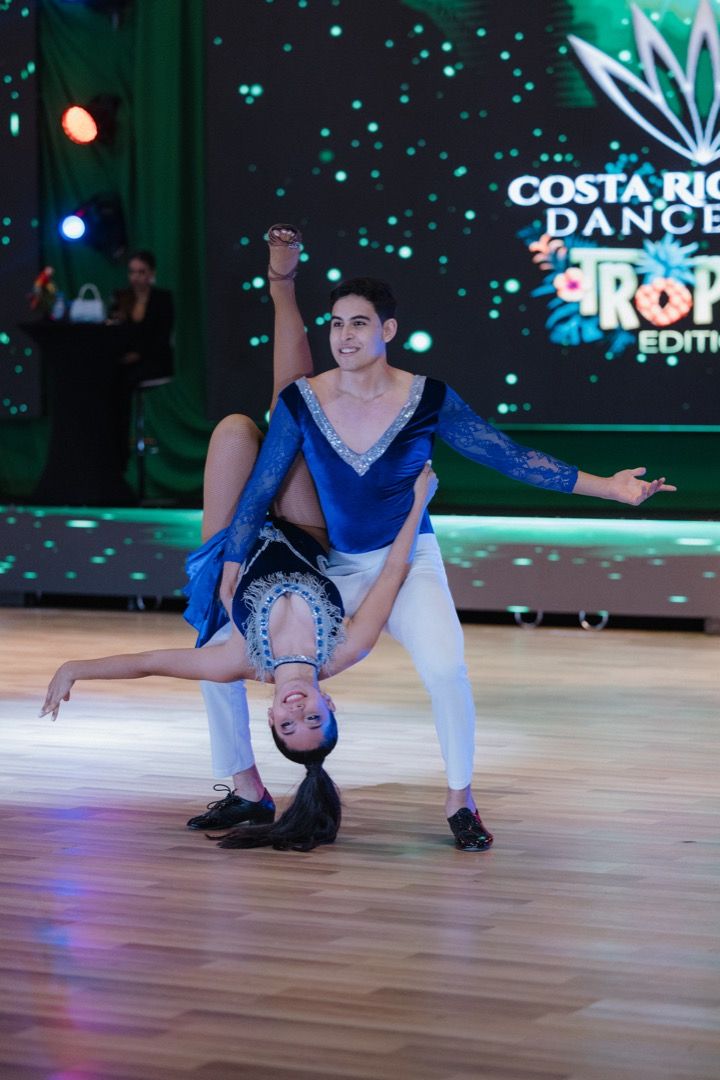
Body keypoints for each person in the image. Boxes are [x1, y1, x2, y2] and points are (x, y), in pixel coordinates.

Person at [211, 225, 676, 853]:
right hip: (331, 571)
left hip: (411, 562)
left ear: (388, 330)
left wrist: (609, 489)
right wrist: (232, 559)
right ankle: (245, 787)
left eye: (359, 324)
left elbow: (508, 456)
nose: (345, 336)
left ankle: (461, 799)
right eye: (337, 324)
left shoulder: (427, 397)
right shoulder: (303, 400)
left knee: (446, 667)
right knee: (215, 652)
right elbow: (263, 483)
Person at [40, 231, 438, 851]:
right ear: (332, 707)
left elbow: (148, 663)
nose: (298, 710)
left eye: (288, 723)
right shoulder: (347, 648)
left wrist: (75, 669)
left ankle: (247, 788)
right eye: (313, 718)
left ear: (270, 717)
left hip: (230, 539)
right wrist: (418, 503)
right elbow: (393, 572)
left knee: (231, 430)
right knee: (292, 407)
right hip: (303, 529)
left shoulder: (237, 662)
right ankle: (283, 284)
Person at [108, 249, 174, 474]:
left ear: (151, 273)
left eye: (141, 272)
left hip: (154, 361)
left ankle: (121, 448)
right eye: (132, 272)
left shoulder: (162, 299)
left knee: (123, 382)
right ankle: (112, 445)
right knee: (111, 378)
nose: (136, 277)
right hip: (127, 362)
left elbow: (161, 337)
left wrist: (138, 354)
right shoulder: (122, 298)